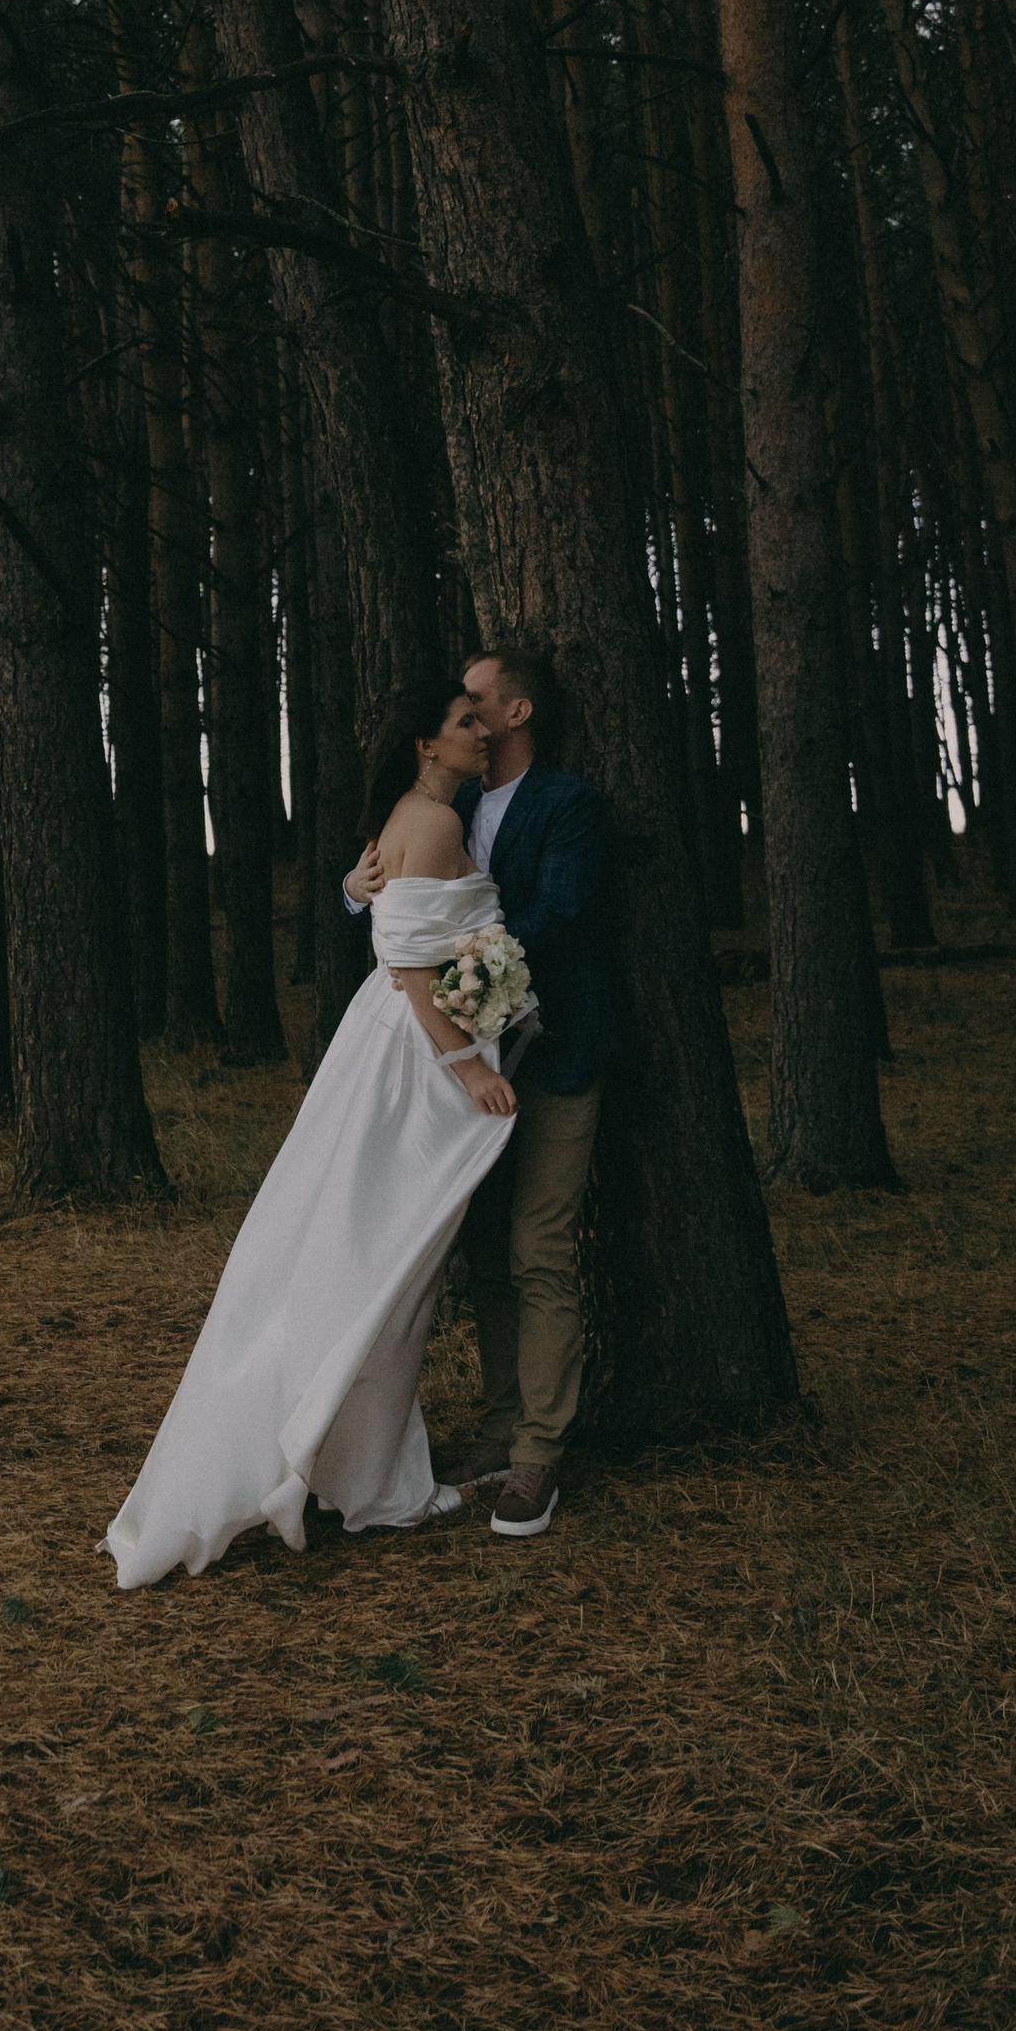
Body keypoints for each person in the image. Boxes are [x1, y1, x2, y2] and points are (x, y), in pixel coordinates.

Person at [102, 679, 535, 1590]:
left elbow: (390, 913)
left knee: (380, 1261)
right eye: (464, 723)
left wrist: (353, 887)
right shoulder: (435, 822)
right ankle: (354, 1472)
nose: (480, 732)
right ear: (427, 743)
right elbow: (409, 962)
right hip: (413, 1065)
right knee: (383, 1260)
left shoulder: (419, 817)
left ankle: (362, 1468)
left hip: (393, 1049)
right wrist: (471, 1066)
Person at [342, 639, 618, 1541]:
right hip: (467, 1073)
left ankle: (540, 1449)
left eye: (477, 701)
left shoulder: (567, 803)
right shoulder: (444, 804)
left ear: (515, 713)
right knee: (486, 1251)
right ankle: (499, 1426)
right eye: (456, 709)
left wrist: (466, 977)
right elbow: (403, 897)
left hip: (553, 1056)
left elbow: (562, 915)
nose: (466, 713)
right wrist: (359, 892)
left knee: (539, 1246)